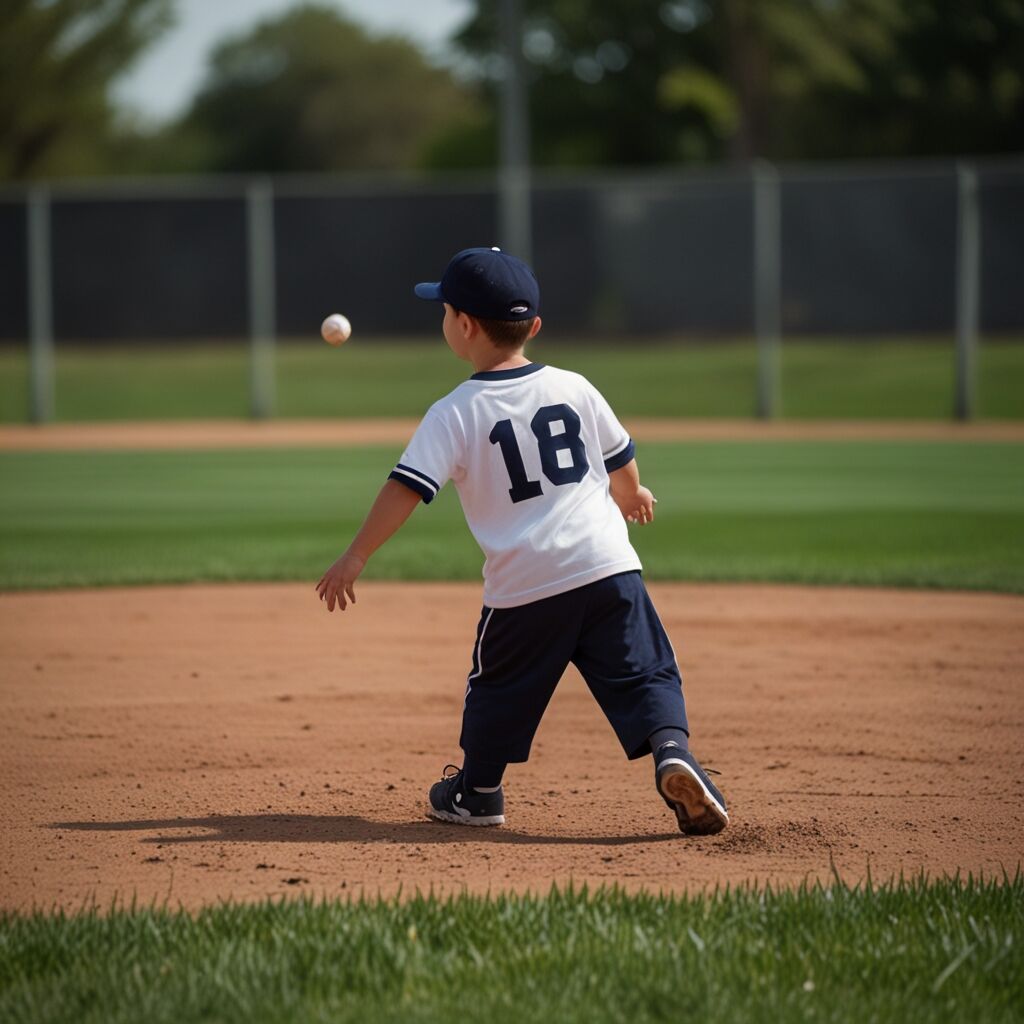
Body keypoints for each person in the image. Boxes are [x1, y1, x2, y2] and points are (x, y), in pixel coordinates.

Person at [316, 246, 728, 836]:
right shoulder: (575, 386)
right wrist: (632, 496)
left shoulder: (454, 411)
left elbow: (405, 489)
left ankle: (477, 792)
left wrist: (356, 554)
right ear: (533, 327)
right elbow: (621, 461)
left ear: (461, 325)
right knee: (645, 672)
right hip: (608, 566)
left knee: (500, 690)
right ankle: (672, 752)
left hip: (524, 585)